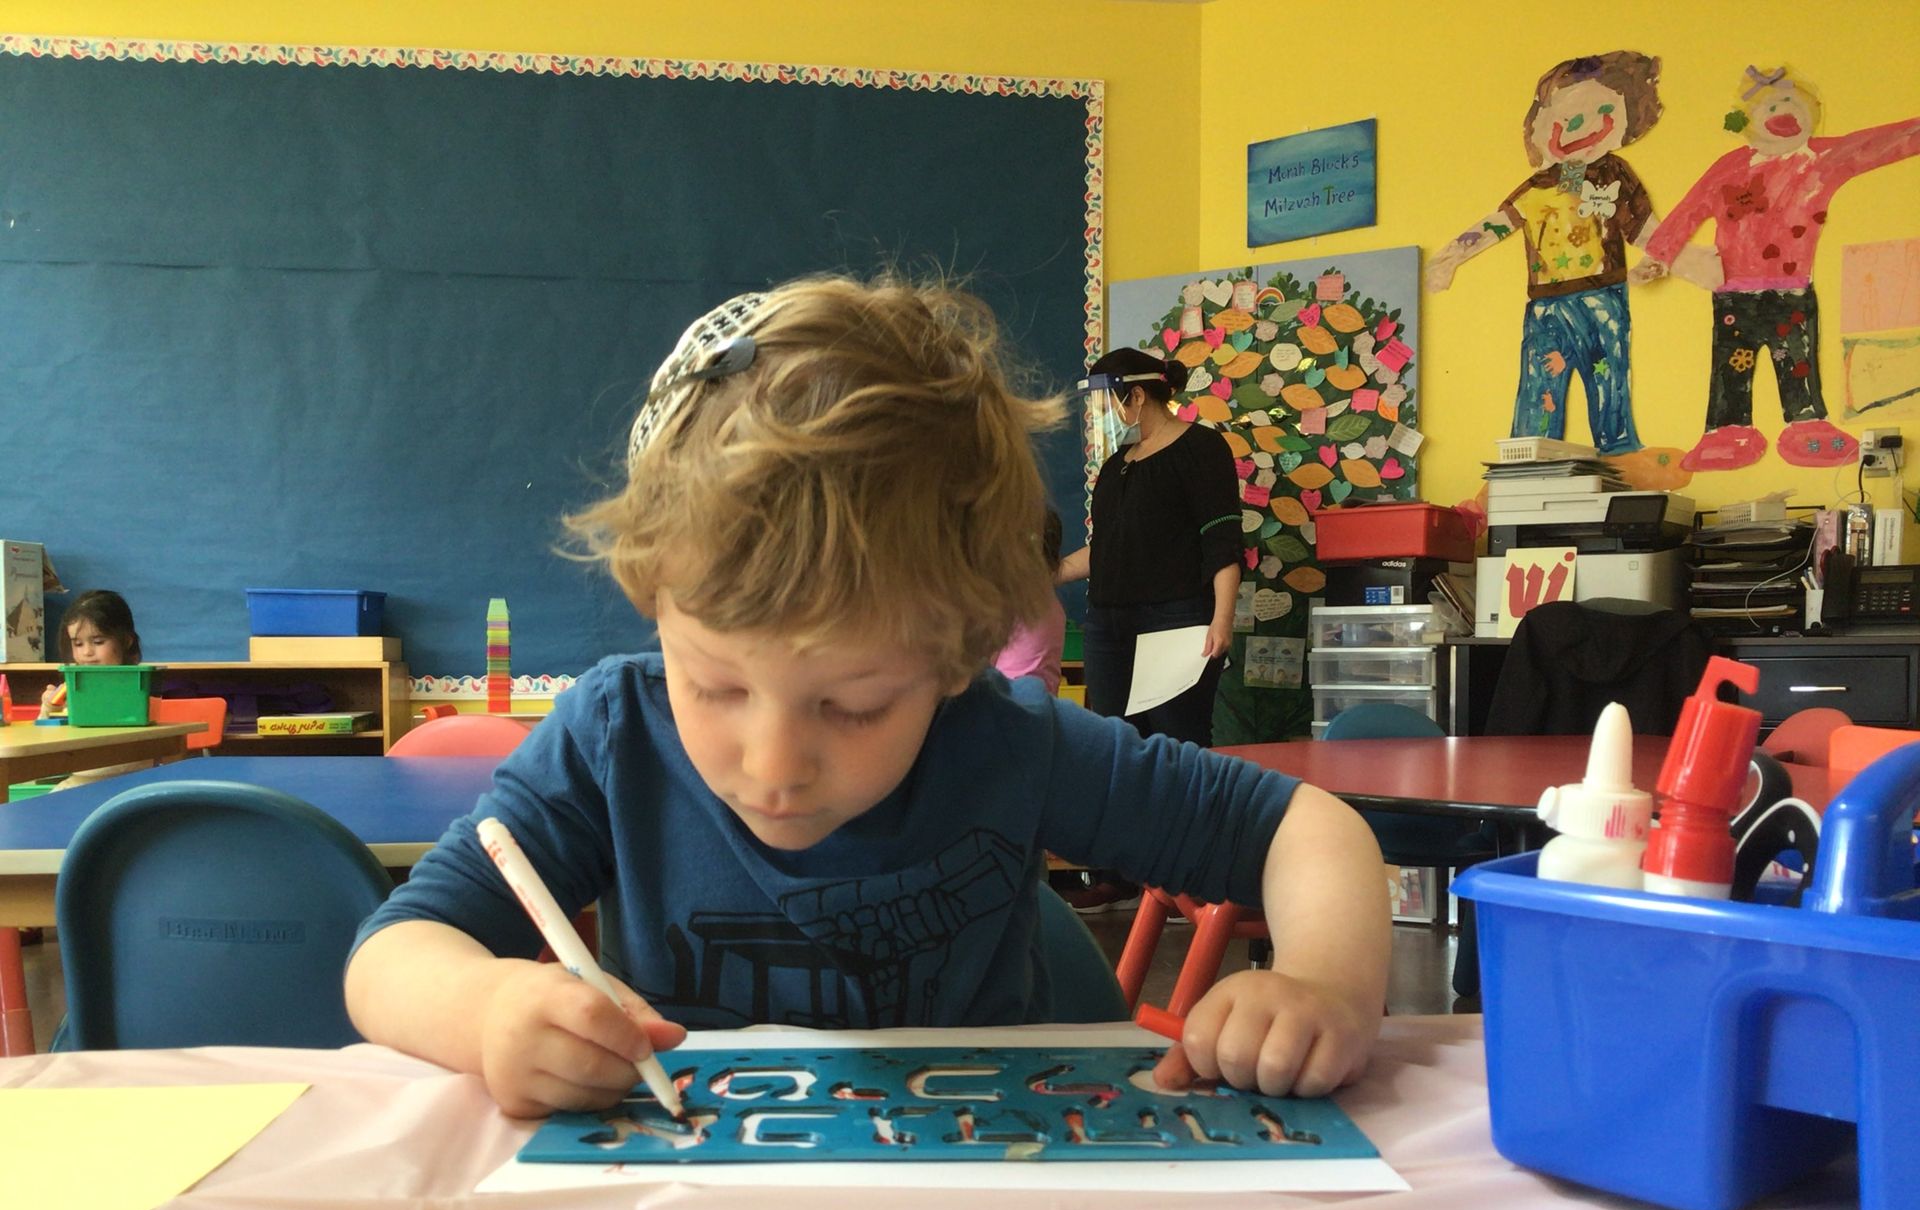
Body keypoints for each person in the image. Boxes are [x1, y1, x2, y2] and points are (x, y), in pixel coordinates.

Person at [344, 274, 1389, 1120]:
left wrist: (1324, 988)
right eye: (713, 684)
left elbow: (1309, 828)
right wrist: (488, 1011)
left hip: (986, 1209)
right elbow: (390, 956)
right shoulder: (610, 740)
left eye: (851, 706)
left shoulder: (1005, 741)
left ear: (956, 657)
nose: (772, 763)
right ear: (653, 601)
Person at [1424, 51, 1699, 491]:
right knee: (1538, 381)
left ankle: (1618, 450)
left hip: (1603, 297)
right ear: (1537, 126)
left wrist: (1674, 259)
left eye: (1602, 113)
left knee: (1607, 372)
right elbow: (1499, 223)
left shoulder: (1614, 173)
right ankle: (1526, 458)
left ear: (1628, 120)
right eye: (1563, 117)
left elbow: (1645, 227)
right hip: (1546, 305)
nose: (1579, 127)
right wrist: (1450, 257)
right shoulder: (1538, 185)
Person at [1639, 66, 1920, 472]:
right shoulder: (1729, 167)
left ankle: (1807, 425)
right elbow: (1689, 210)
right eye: (1771, 105)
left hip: (1792, 292)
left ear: (1814, 113)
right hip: (1734, 295)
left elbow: (1876, 144)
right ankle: (1726, 430)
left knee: (1799, 367)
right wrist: (1659, 256)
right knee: (1730, 369)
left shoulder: (1823, 159)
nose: (1784, 112)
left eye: (1795, 104)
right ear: (1746, 122)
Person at [1051, 347, 1241, 913]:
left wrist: (1222, 619)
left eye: (1108, 398)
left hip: (1178, 622)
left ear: (1135, 394)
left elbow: (1222, 541)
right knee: (1115, 746)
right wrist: (1046, 573)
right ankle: (1119, 874)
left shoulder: (1202, 448)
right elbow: (1107, 550)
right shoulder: (1118, 465)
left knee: (1177, 746)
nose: (1106, 412)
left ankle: (1190, 874)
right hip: (1110, 621)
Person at [992, 507, 1066, 696]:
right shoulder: (1050, 603)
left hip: (1008, 705)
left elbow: (982, 667)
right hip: (1042, 706)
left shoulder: (1009, 602)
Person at [42, 588, 142, 714]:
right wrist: (50, 708)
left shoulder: (140, 688)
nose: (87, 652)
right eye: (78, 644)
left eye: (98, 642)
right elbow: (45, 731)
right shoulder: (72, 691)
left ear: (127, 641)